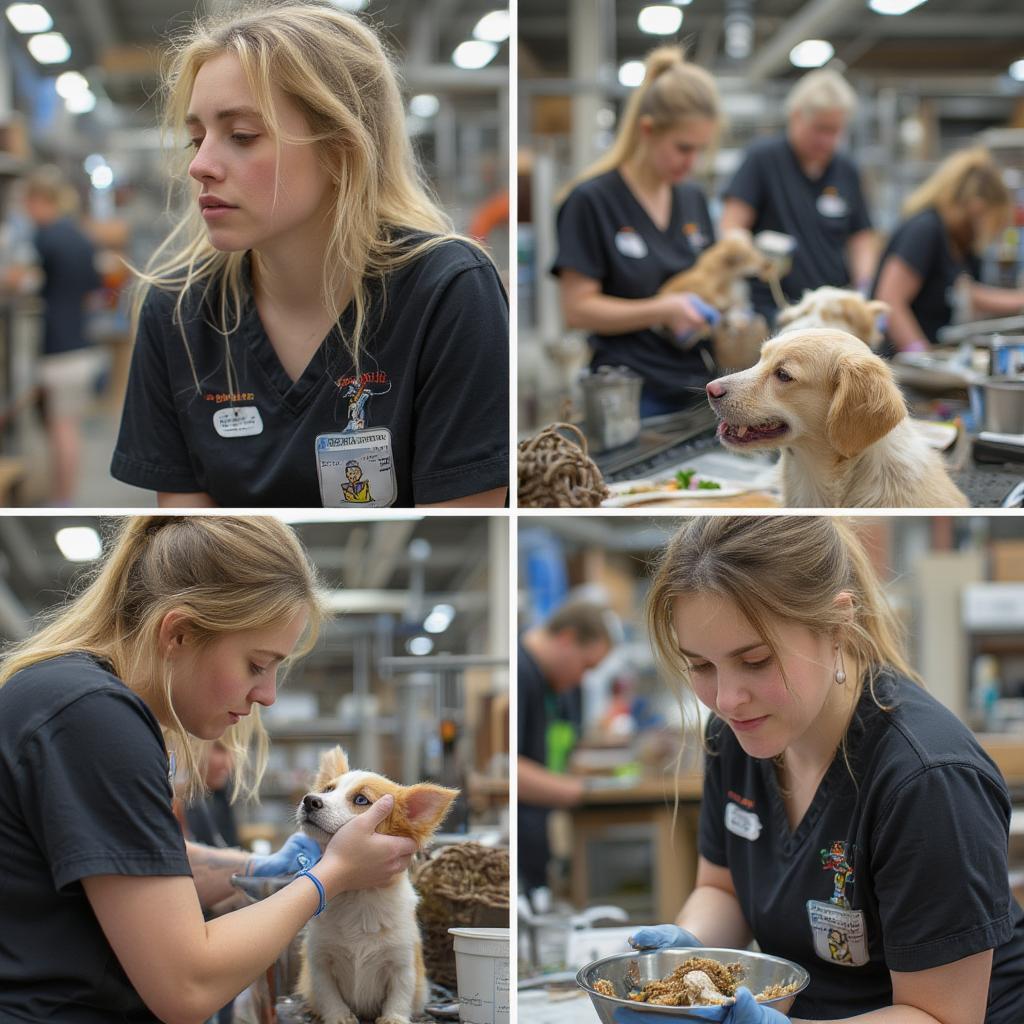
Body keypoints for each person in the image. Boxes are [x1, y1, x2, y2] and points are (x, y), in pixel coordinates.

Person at [0, 516, 419, 1022]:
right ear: (178, 634)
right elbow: (187, 986)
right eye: (257, 664)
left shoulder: (73, 699)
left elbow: (141, 870)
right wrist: (331, 875)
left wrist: (263, 872)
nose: (267, 694)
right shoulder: (94, 718)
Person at [111, 2, 508, 508]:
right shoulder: (178, 310)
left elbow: (466, 515)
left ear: (341, 147)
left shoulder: (448, 291)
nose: (202, 165)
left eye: (242, 136)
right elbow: (191, 531)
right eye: (196, 140)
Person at [634, 516, 1023, 1022]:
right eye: (701, 666)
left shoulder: (926, 780)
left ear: (836, 625)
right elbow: (723, 887)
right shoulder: (734, 738)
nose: (727, 700)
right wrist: (686, 968)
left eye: (755, 660)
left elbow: (943, 1016)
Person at [552, 46, 723, 418]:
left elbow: (710, 277)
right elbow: (578, 309)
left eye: (701, 150)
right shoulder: (591, 201)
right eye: (683, 148)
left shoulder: (692, 198)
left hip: (698, 385)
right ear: (647, 131)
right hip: (629, 394)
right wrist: (664, 308)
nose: (691, 162)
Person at [721, 69, 875, 324]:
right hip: (774, 309)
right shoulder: (763, 159)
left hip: (829, 310)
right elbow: (732, 226)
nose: (827, 140)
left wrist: (864, 288)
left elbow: (861, 237)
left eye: (835, 131)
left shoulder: (846, 170)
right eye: (819, 129)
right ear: (795, 117)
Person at [872, 148, 1024, 352]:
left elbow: (969, 293)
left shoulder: (961, 242)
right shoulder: (925, 229)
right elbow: (890, 301)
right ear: (977, 208)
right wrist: (921, 355)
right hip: (899, 365)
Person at [518, 601, 614, 893]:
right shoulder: (521, 674)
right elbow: (512, 768)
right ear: (567, 638)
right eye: (586, 665)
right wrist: (580, 790)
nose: (582, 678)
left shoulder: (554, 687)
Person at [21, 166, 102, 504]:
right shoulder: (80, 236)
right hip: (81, 344)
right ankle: (62, 495)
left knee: (62, 429)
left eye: (28, 203)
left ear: (41, 200)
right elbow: (93, 291)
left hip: (57, 349)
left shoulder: (45, 238)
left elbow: (23, 281)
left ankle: (62, 498)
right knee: (68, 427)